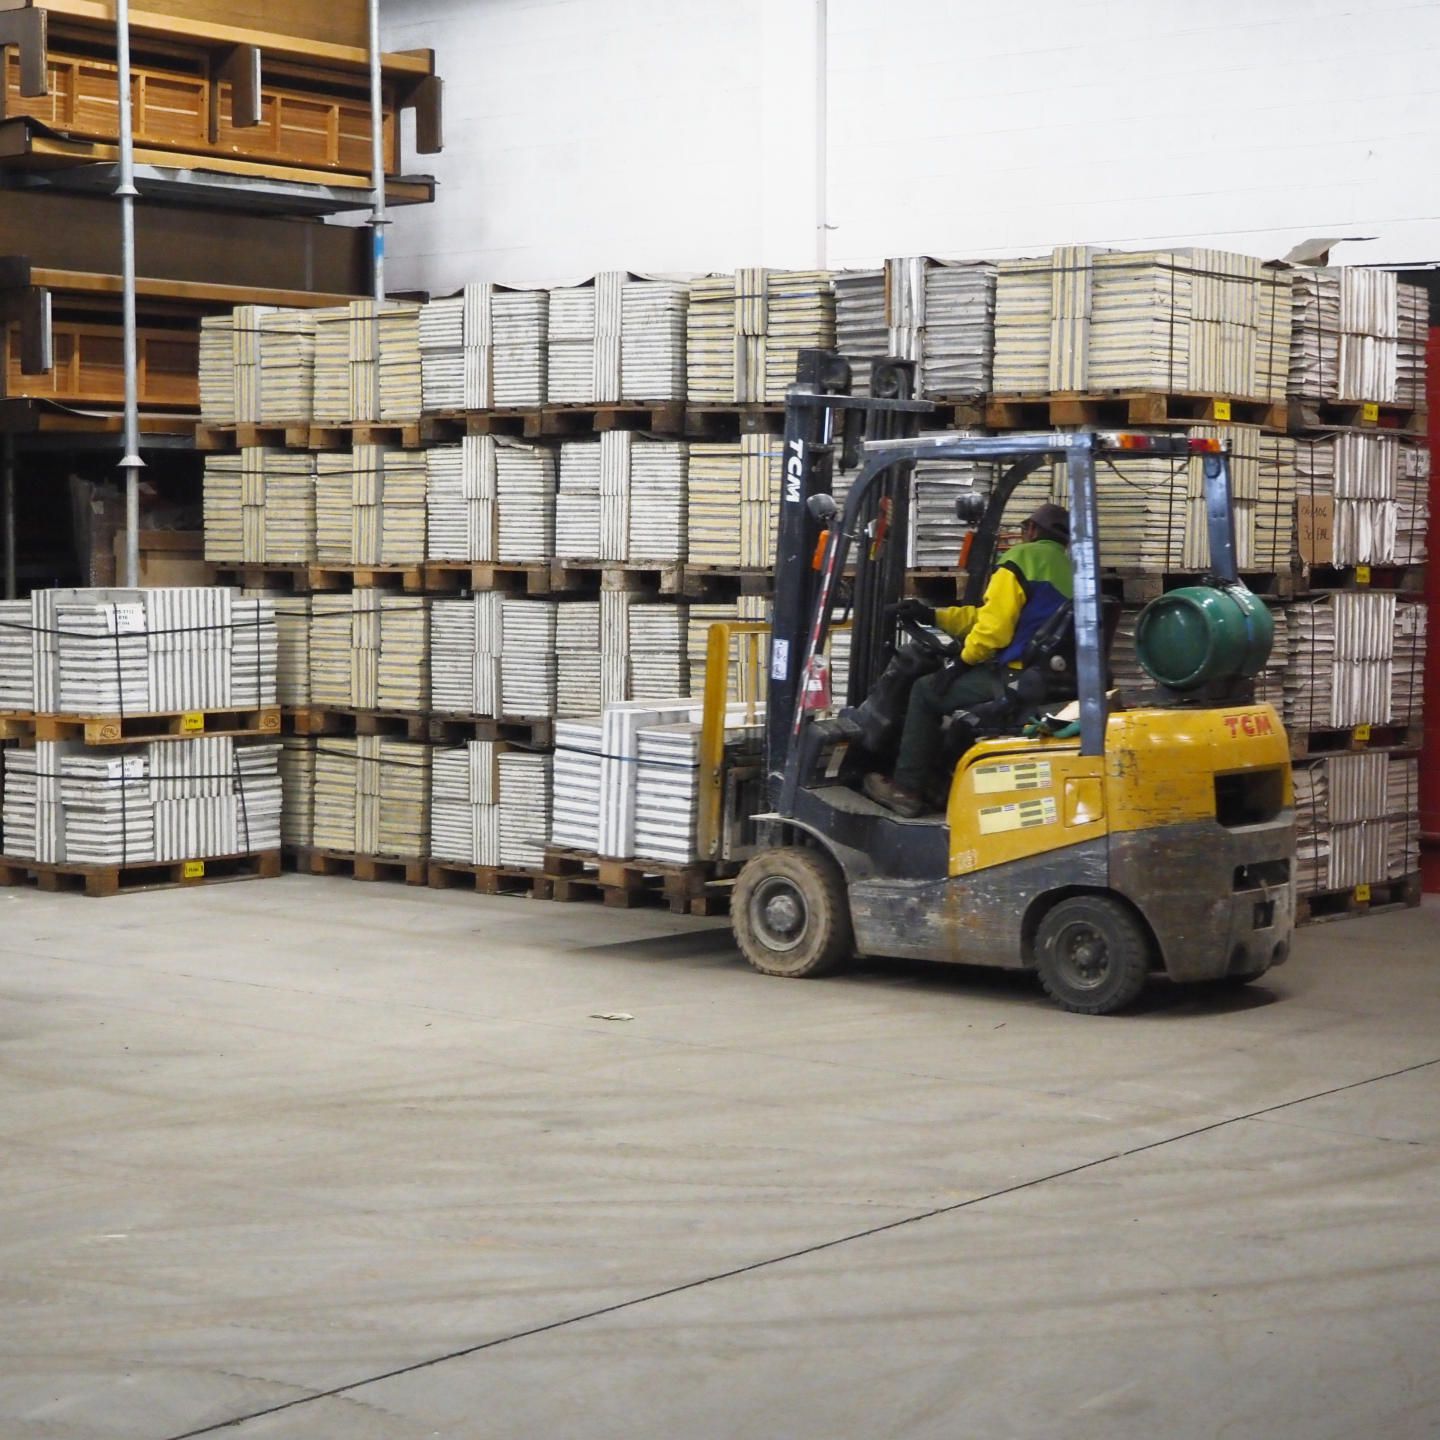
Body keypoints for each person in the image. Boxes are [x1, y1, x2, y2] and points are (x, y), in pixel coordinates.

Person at [863, 503, 1073, 818]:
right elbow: (988, 617)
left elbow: (994, 632)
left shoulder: (1022, 559)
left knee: (925, 691)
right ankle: (939, 781)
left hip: (1016, 678)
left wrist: (960, 664)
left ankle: (906, 789)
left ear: (1031, 530)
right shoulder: (1071, 570)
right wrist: (932, 615)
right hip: (1046, 678)